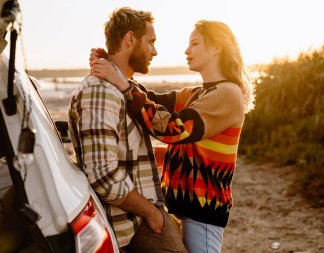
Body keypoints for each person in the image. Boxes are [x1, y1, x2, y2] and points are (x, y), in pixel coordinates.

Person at [90, 20, 254, 253]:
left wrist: (121, 84)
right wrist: (115, 66)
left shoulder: (228, 93)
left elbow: (171, 129)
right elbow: (150, 99)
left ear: (217, 47)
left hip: (202, 215)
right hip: (187, 210)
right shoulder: (196, 93)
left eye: (195, 44)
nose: (187, 51)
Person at [68, 7, 187, 253]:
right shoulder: (100, 91)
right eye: (151, 42)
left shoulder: (121, 87)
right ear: (130, 39)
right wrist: (151, 213)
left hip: (143, 218)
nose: (155, 51)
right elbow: (103, 174)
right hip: (134, 226)